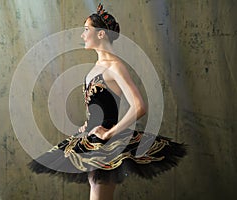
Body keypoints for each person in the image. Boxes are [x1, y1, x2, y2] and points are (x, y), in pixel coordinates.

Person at [28, 3, 187, 200]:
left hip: (107, 143)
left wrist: (109, 132)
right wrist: (90, 123)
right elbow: (99, 103)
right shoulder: (97, 65)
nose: (82, 35)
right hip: (91, 139)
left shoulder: (115, 67)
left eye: (87, 30)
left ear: (101, 34)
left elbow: (139, 106)